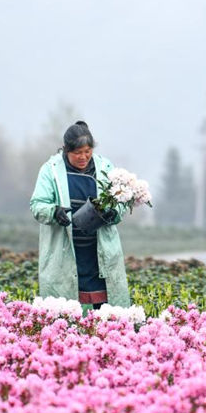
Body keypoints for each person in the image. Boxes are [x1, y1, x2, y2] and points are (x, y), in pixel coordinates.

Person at [29, 121, 130, 309]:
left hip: (98, 251)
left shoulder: (105, 168)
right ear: (66, 150)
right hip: (66, 249)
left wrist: (113, 212)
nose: (83, 157)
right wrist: (54, 212)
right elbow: (37, 205)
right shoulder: (51, 171)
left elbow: (121, 202)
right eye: (77, 153)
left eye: (87, 151)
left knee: (107, 311)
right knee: (66, 312)